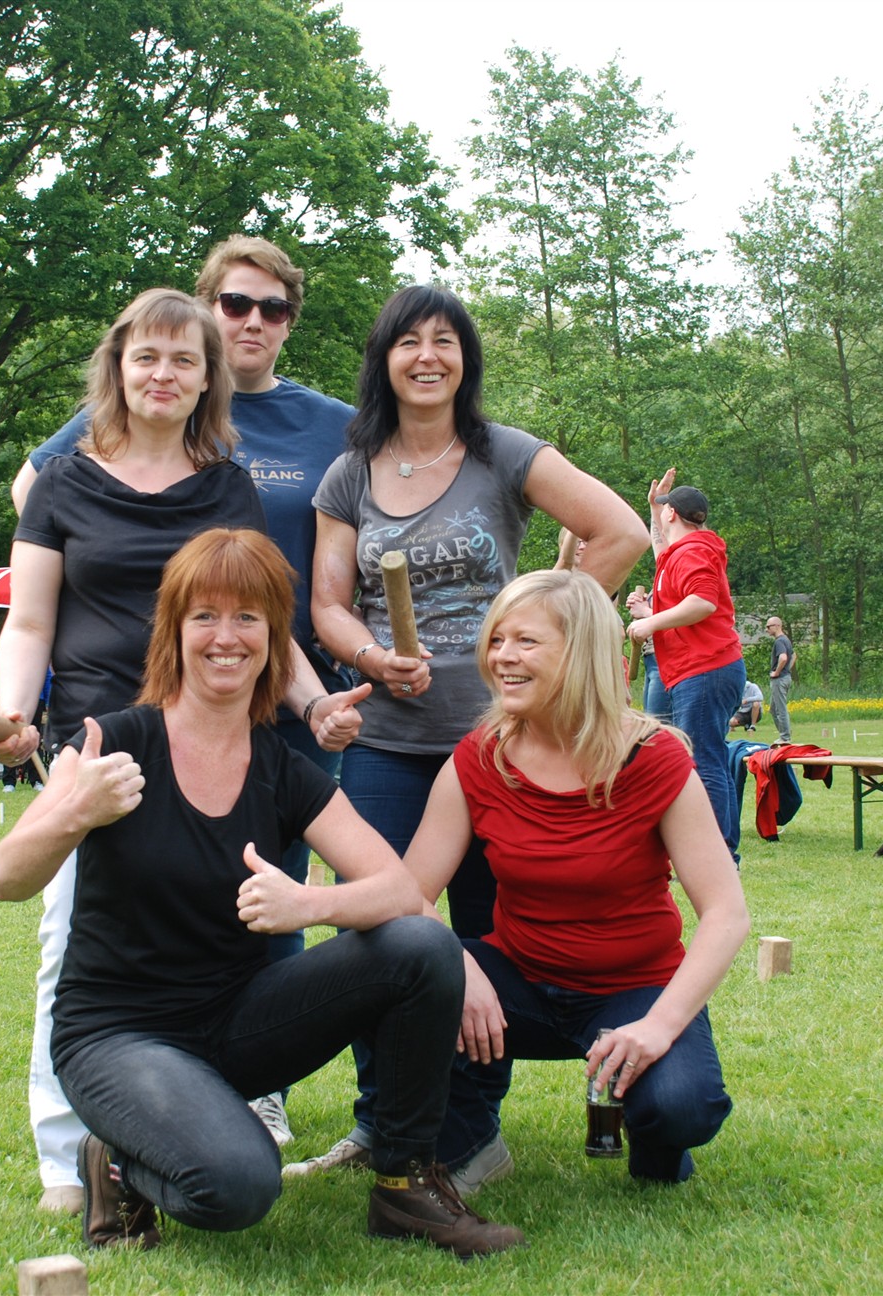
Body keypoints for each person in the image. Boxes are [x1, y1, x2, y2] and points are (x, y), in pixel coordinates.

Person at [0, 528, 524, 1257]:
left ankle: (405, 1187)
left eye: (248, 617)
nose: (226, 637)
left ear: (274, 639)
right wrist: (77, 811)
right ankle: (114, 1161)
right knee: (239, 1185)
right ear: (174, 632)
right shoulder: (114, 743)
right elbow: (7, 878)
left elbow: (398, 889)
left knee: (422, 943)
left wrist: (310, 906)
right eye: (204, 616)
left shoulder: (281, 767)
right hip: (118, 1036)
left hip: (236, 1024)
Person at [0, 288, 368, 1215]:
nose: (163, 375)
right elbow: (29, 620)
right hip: (97, 748)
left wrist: (313, 702)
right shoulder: (63, 481)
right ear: (118, 367)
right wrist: (12, 710)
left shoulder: (226, 485)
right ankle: (67, 1155)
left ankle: (190, 1112)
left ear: (207, 381)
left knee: (216, 944)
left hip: (210, 743)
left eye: (184, 361)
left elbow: (257, 619)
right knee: (71, 943)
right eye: (147, 357)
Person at [303, 284, 649, 1179]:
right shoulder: (350, 473)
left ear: (466, 359)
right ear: (384, 360)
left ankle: (473, 1131)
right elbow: (329, 604)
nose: (427, 357)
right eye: (408, 341)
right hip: (386, 747)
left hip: (502, 749)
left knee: (492, 939)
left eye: (445, 341)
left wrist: (547, 636)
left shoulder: (505, 454)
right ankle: (380, 1123)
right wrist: (372, 658)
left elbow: (620, 531)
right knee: (378, 936)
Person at [401, 570, 748, 1187]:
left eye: (526, 641)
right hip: (520, 983)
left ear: (582, 652)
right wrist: (460, 970)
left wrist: (658, 1026)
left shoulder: (655, 758)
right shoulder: (479, 757)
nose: (502, 656)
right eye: (497, 639)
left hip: (634, 989)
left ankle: (655, 1137)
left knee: (681, 1106)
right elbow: (408, 895)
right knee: (408, 978)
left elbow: (726, 913)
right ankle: (470, 1145)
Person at [624, 475, 747, 860]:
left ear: (673, 513)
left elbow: (702, 602)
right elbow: (662, 550)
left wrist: (649, 622)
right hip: (700, 669)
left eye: (663, 511)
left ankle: (717, 857)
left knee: (705, 762)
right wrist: (653, 508)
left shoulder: (692, 552)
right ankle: (720, 852)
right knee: (707, 758)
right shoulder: (679, 553)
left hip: (706, 669)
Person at [765, 615, 794, 743]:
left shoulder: (780, 641)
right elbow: (794, 656)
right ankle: (785, 731)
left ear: (777, 626)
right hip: (785, 677)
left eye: (768, 627)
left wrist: (777, 672)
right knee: (773, 709)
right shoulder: (786, 640)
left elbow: (783, 658)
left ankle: (785, 737)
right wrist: (787, 669)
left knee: (780, 709)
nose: (766, 629)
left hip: (780, 679)